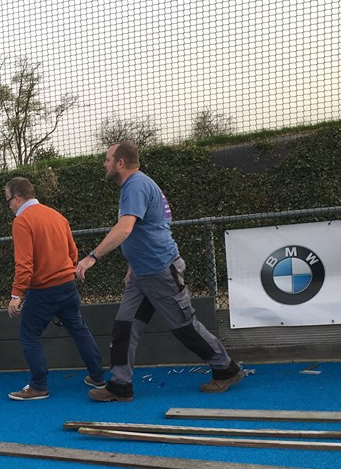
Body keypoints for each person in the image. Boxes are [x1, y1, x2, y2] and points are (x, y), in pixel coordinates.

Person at [75, 141, 244, 401]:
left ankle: (226, 369)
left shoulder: (136, 186)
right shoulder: (136, 186)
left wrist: (92, 257)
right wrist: (133, 264)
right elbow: (152, 225)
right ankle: (120, 385)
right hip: (143, 274)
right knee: (125, 326)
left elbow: (125, 229)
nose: (104, 163)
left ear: (120, 163)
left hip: (161, 272)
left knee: (185, 327)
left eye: (107, 159)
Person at [5, 177, 107, 401]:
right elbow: (72, 251)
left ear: (18, 198)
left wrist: (16, 295)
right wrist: (67, 272)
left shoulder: (22, 221)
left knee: (28, 333)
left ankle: (38, 386)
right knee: (79, 329)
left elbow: (24, 263)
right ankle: (98, 377)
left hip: (43, 290)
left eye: (9, 201)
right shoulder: (57, 216)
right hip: (67, 286)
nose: (9, 206)